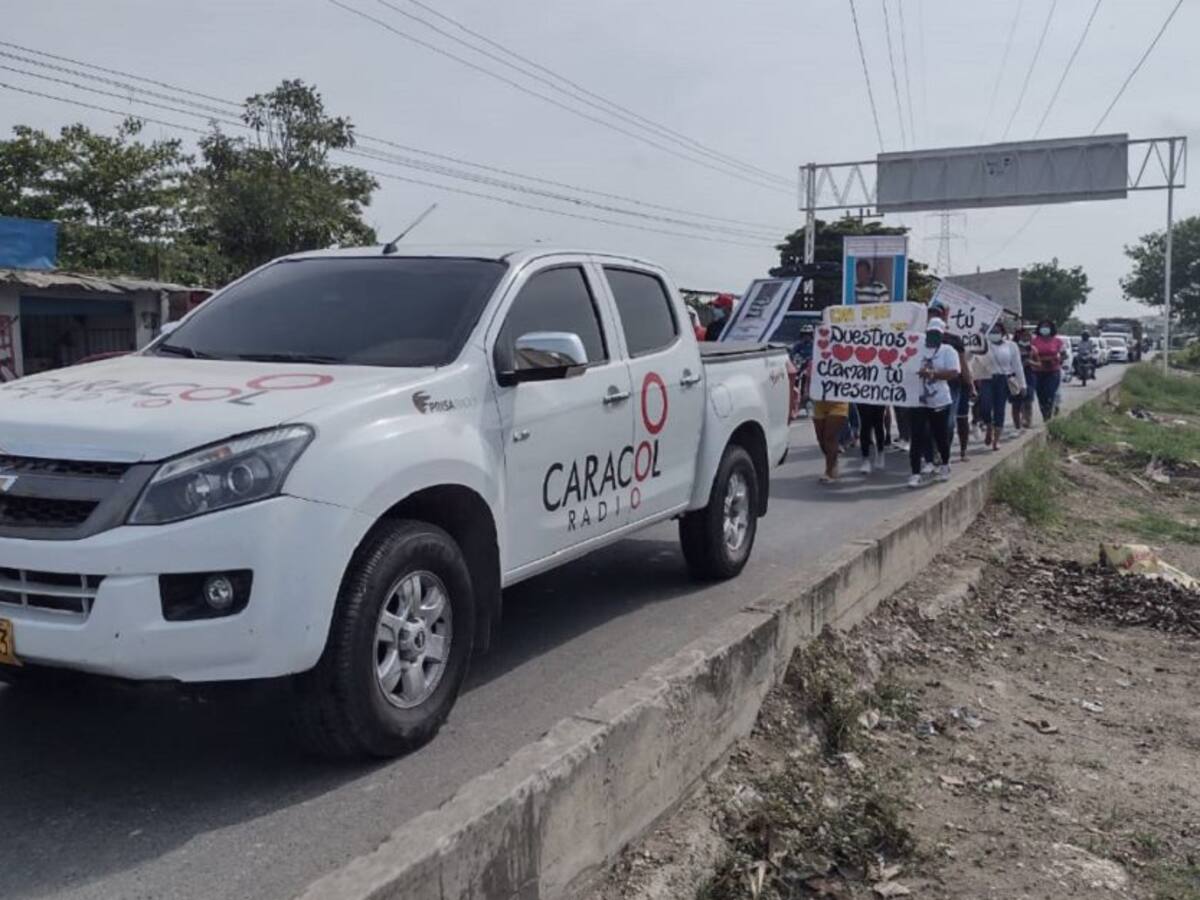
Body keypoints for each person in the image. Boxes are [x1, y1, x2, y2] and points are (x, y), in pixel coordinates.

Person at [909, 318, 959, 488]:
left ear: (942, 335)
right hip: (917, 399)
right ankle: (915, 473)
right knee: (916, 436)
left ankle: (945, 463)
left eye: (937, 333)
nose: (932, 336)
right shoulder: (917, 349)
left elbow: (954, 373)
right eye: (930, 332)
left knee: (940, 435)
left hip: (939, 400)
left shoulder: (948, 351)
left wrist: (933, 374)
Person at [977, 324, 1026, 450]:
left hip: (1004, 379)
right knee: (985, 406)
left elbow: (1017, 366)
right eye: (992, 331)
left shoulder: (1011, 346)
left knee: (1000, 408)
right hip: (987, 378)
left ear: (1003, 332)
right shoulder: (984, 344)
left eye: (997, 331)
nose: (994, 333)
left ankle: (996, 439)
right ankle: (988, 425)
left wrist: (1022, 385)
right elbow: (974, 359)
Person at [1030, 319, 1066, 422]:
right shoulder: (1034, 341)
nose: (1044, 329)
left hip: (1053, 371)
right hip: (1038, 371)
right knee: (1041, 395)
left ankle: (1049, 413)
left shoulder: (1058, 341)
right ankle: (1045, 415)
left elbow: (1064, 355)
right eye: (1043, 326)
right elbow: (1029, 354)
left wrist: (1057, 360)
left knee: (1049, 392)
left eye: (1047, 327)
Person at [812, 397, 849, 483]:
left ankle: (829, 471)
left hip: (839, 402)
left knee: (829, 436)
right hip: (819, 402)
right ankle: (833, 460)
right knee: (821, 439)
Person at [1011, 326, 1035, 430]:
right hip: (1015, 378)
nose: (1025, 338)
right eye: (1023, 336)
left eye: (1027, 336)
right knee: (1016, 403)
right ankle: (1017, 425)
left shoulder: (1032, 349)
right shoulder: (1012, 349)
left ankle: (1027, 421)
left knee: (1028, 401)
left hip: (1029, 377)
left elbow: (1039, 363)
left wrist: (1030, 362)